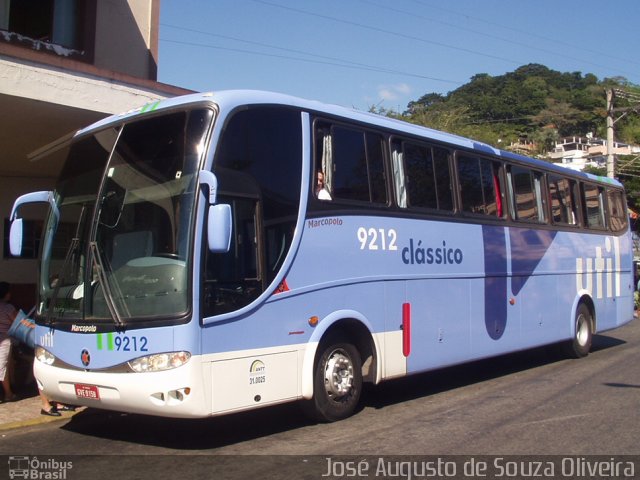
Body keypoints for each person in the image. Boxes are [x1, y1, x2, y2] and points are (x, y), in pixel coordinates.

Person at [0, 281, 17, 402]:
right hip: (5, 339)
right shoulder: (8, 308)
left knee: (8, 365)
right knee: (3, 366)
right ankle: (8, 394)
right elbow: (16, 322)